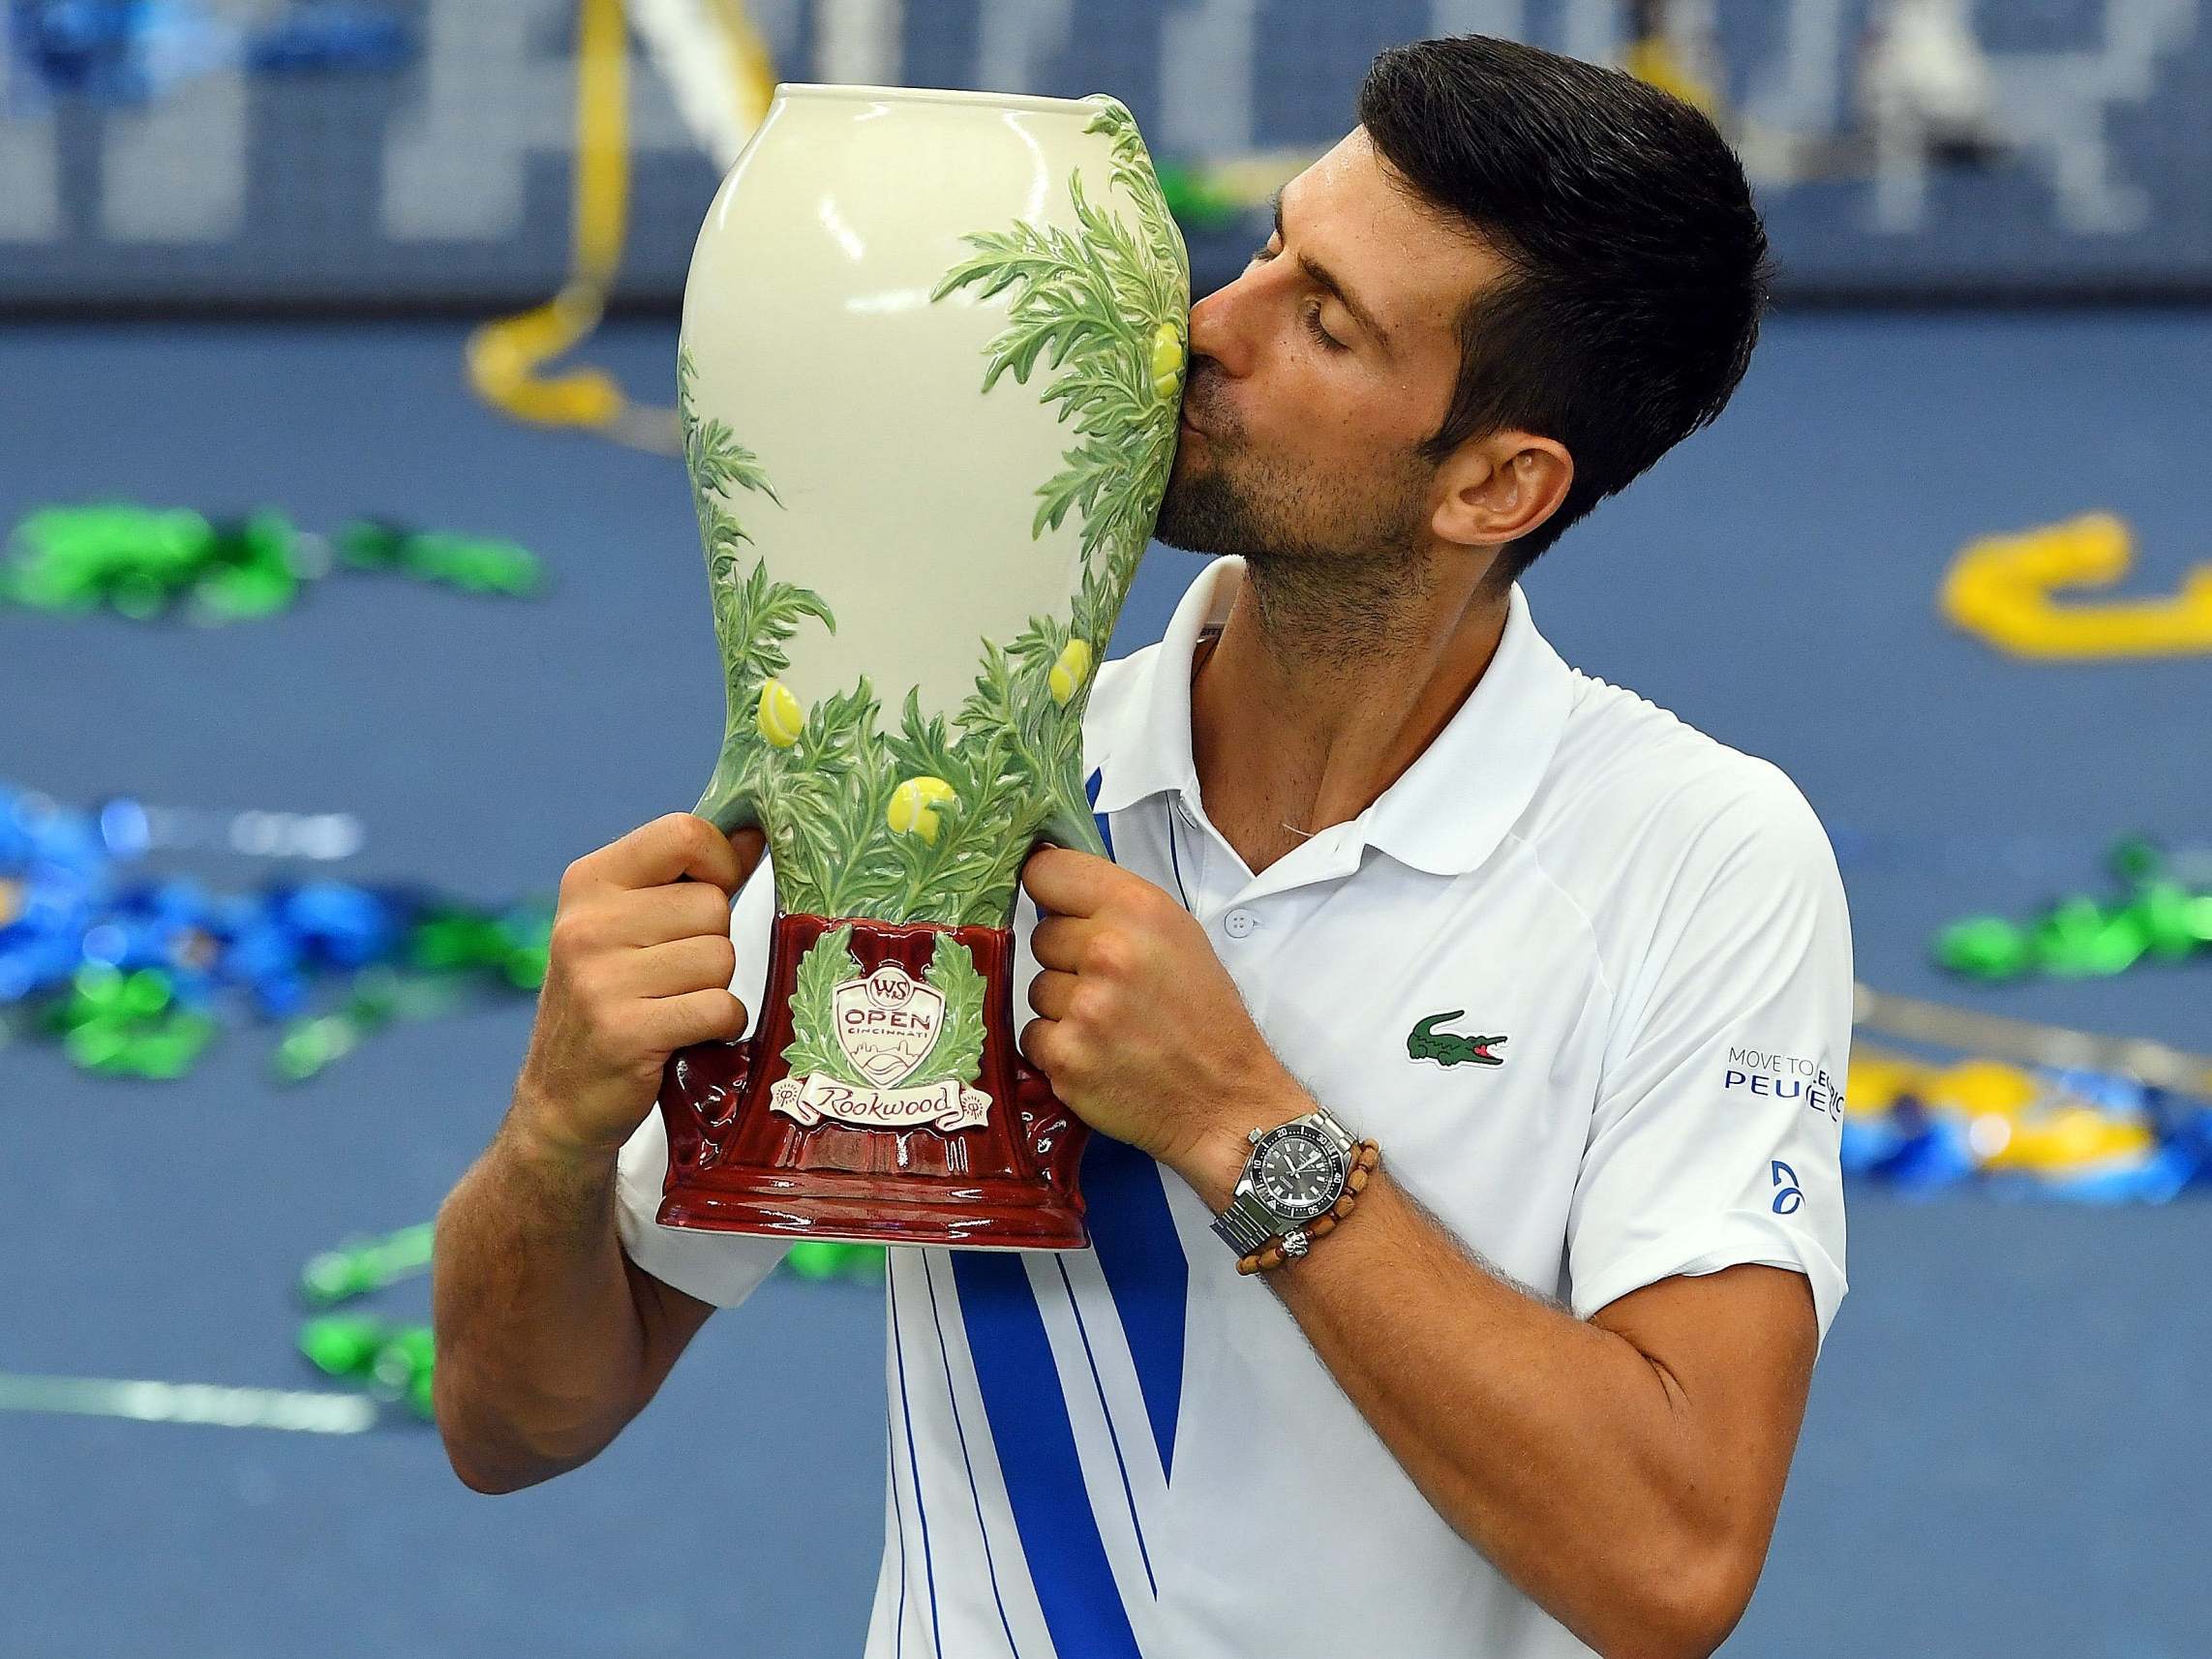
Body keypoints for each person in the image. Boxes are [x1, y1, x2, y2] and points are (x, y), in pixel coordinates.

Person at [432, 33, 1850, 1659]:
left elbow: (1669, 1566)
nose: (1201, 332)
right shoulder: (934, 766)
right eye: (1267, 250)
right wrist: (550, 1130)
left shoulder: (1701, 857)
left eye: (1322, 320)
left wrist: (1243, 1124)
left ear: (1494, 482)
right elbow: (513, 1421)